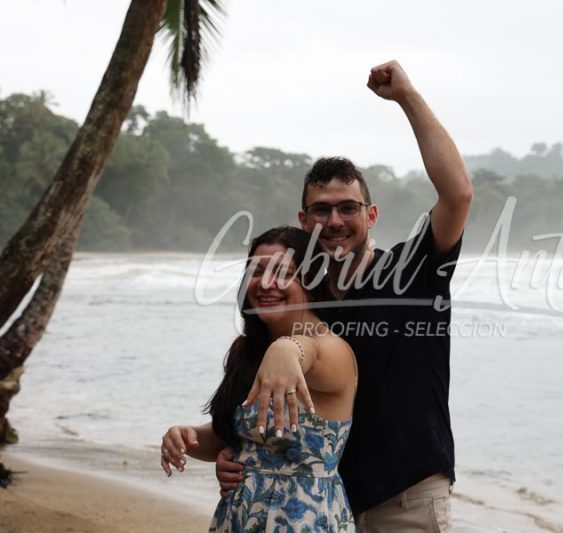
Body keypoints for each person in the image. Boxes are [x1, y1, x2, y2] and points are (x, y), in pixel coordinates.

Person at [217, 60, 472, 532]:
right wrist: (233, 455)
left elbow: (457, 195)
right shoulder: (303, 297)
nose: (334, 221)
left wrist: (407, 98)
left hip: (406, 494)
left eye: (348, 208)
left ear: (371, 214)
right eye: (321, 209)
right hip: (324, 499)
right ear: (303, 219)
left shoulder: (411, 271)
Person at [160, 226, 359, 531]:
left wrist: (286, 347)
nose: (266, 283)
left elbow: (308, 351)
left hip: (305, 519)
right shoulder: (245, 350)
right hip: (240, 514)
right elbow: (236, 438)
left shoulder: (333, 350)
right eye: (257, 271)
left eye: (283, 272)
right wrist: (187, 436)